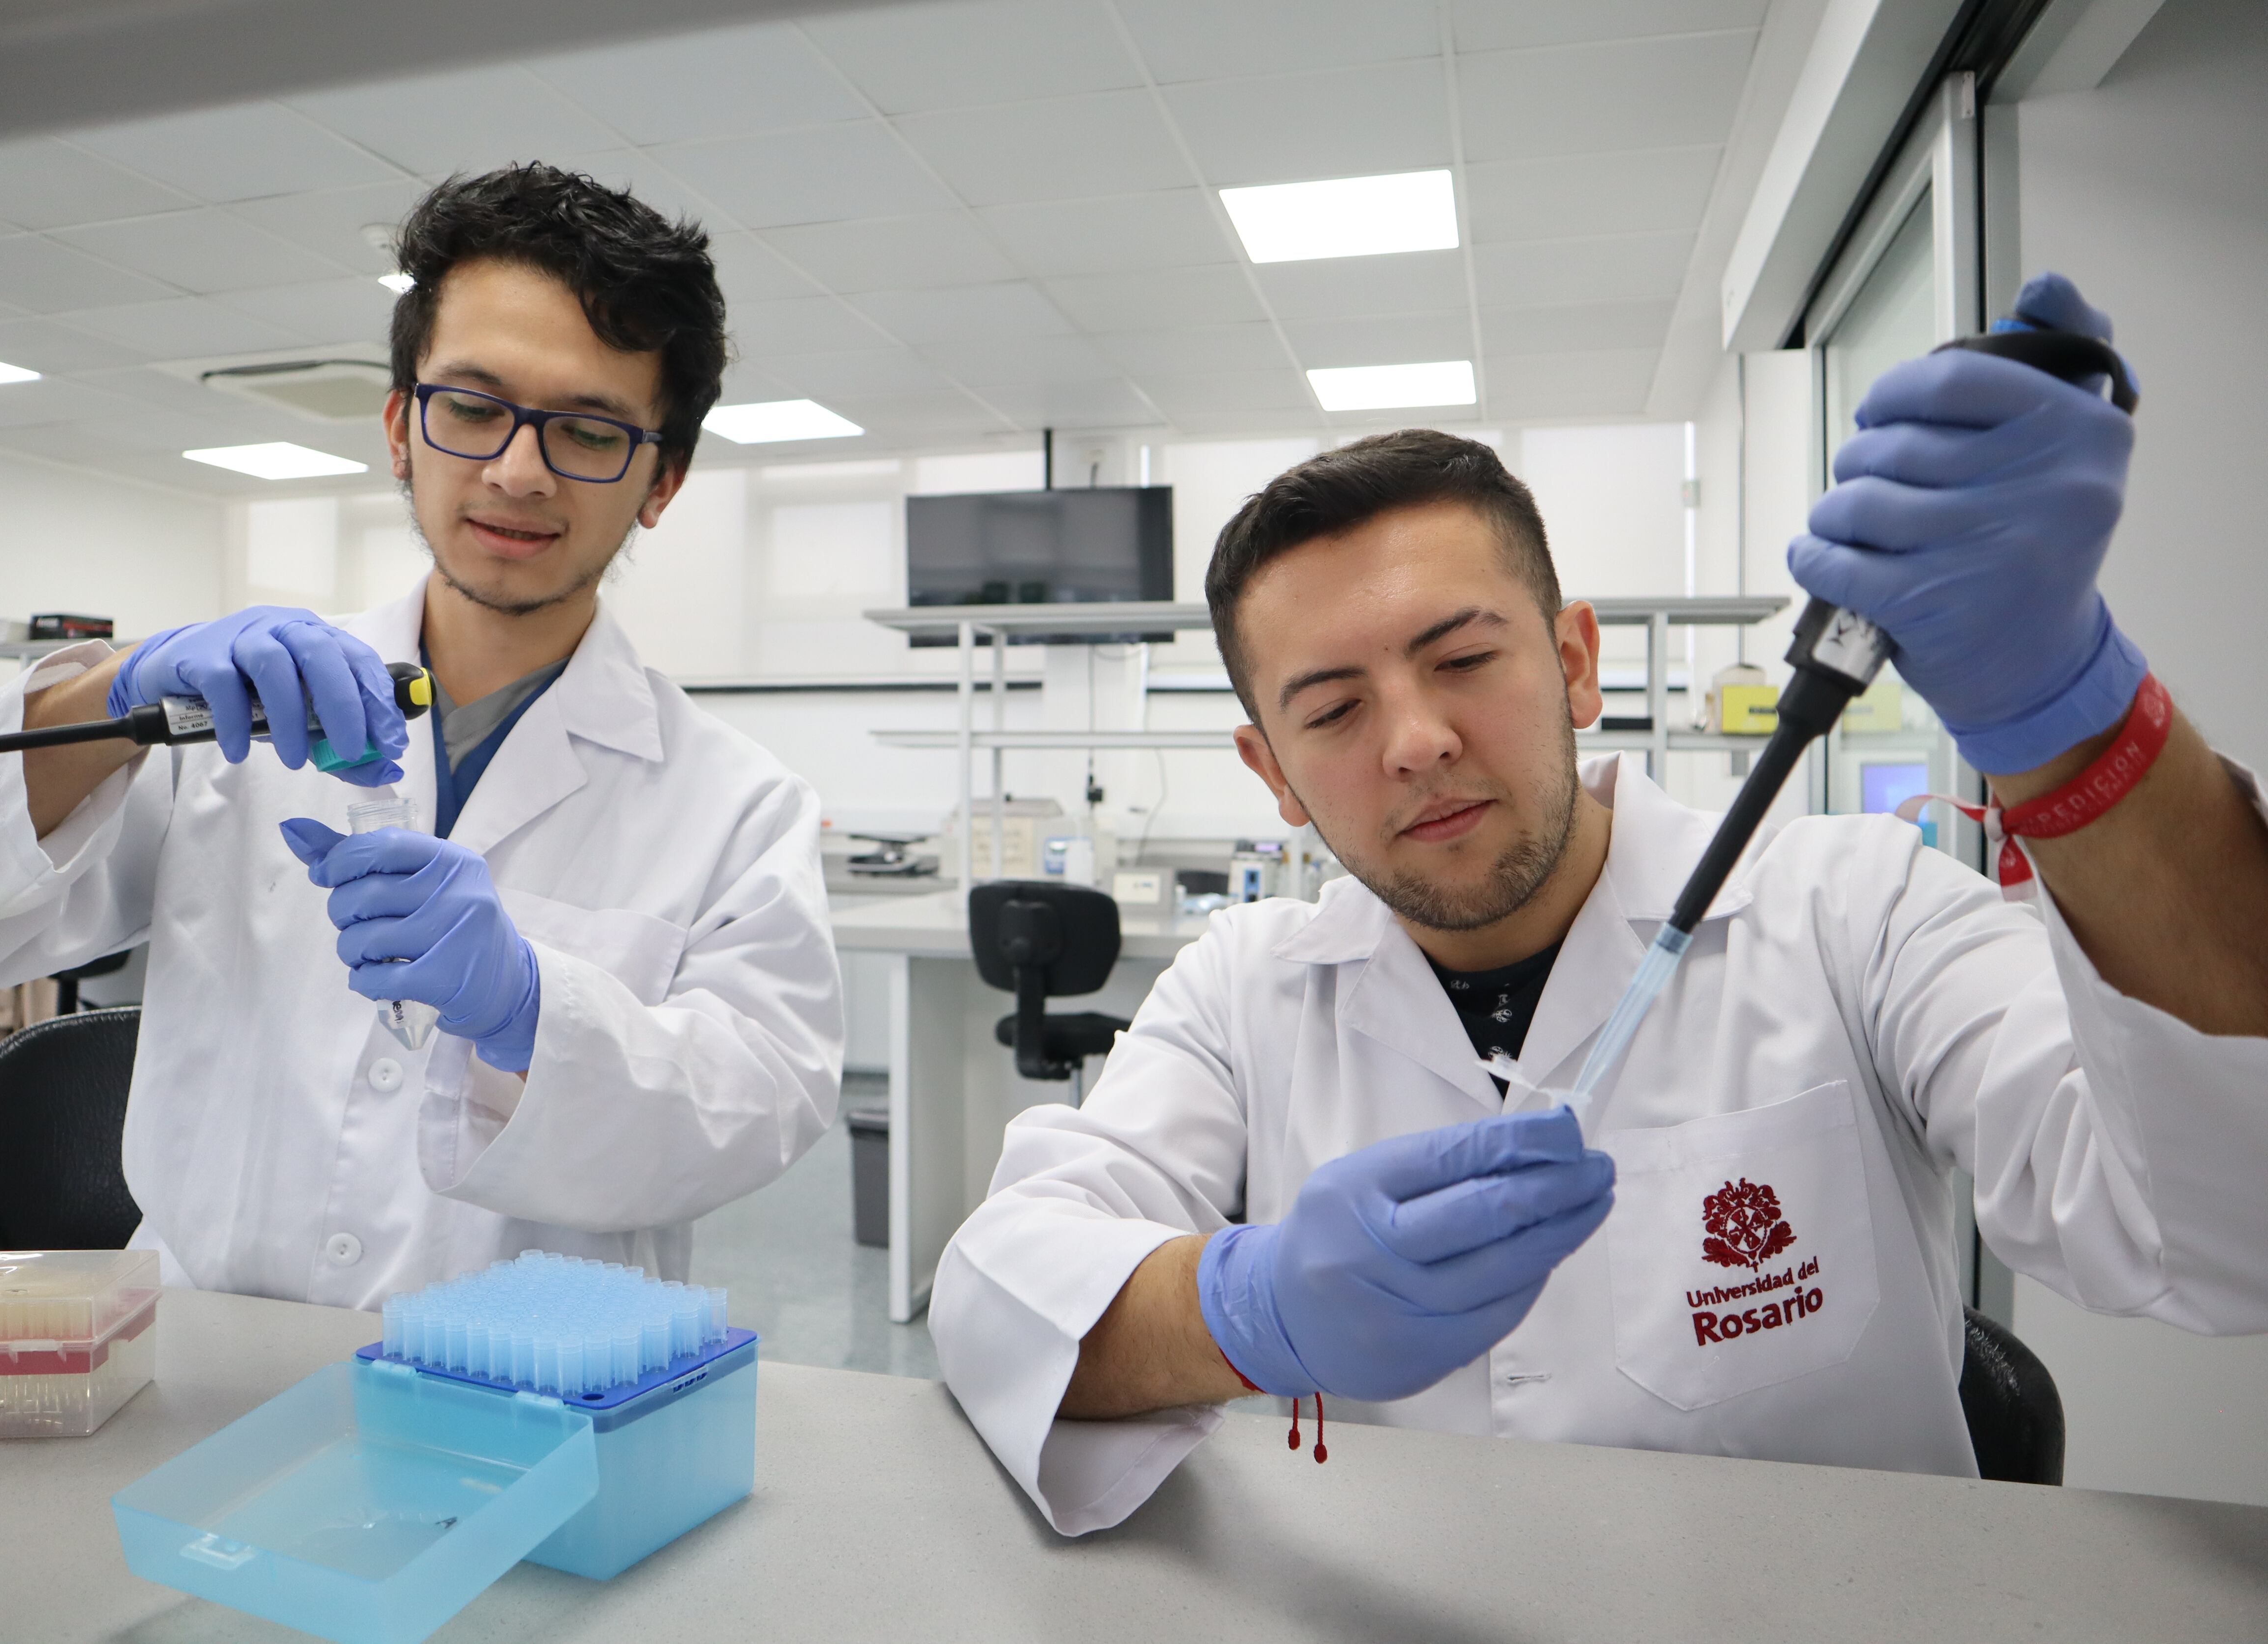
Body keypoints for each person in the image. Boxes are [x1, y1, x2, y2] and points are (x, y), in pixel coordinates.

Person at [929, 275, 2268, 1534]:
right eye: (1332, 710)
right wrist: (1245, 1308)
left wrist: (2073, 724)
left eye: (1464, 658)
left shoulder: (1848, 907)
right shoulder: (1244, 986)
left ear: (1575, 661)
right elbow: (1000, 1296)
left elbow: (2226, 1231)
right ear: (1271, 770)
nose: (1416, 740)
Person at [0, 165, 844, 1305]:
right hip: (206, 1361)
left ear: (662, 480)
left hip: (525, 1376)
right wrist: (114, 698)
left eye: (590, 430)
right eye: (473, 407)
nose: (518, 471)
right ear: (402, 428)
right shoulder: (228, 715)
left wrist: (530, 1007)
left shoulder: (736, 803)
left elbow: (760, 1104)